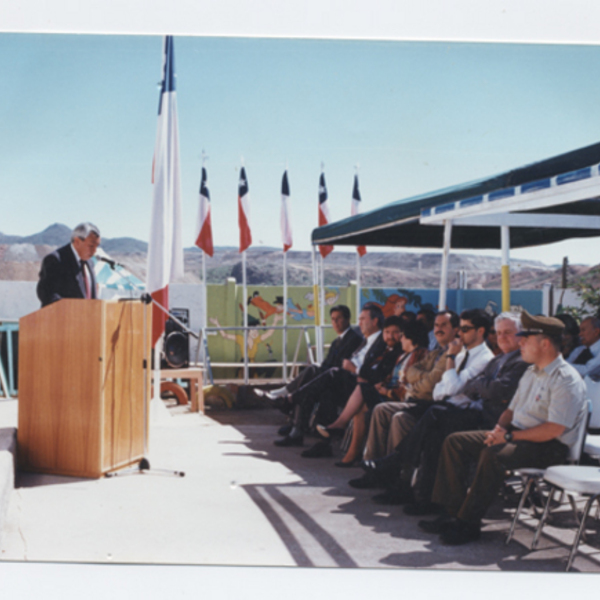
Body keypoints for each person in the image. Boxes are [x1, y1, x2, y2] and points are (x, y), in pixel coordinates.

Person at [419, 310, 587, 545]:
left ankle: (468, 523)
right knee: (456, 441)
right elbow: (511, 410)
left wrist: (507, 436)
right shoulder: (532, 370)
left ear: (545, 343)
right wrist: (498, 430)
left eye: (526, 340)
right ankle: (451, 512)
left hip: (549, 447)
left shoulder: (565, 379)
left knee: (494, 454)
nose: (522, 344)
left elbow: (553, 430)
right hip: (518, 435)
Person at [398, 312, 529, 514]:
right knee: (434, 432)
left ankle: (400, 462)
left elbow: (495, 390)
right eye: (499, 332)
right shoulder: (498, 360)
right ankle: (427, 499)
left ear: (521, 335)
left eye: (509, 333)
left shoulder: (519, 361)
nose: (502, 337)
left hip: (493, 421)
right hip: (475, 412)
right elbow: (465, 388)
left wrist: (479, 386)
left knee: (438, 418)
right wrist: (480, 386)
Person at [272, 303, 387, 452]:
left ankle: (290, 400)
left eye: (363, 319)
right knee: (325, 389)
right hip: (347, 382)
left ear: (375, 321)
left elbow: (375, 372)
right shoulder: (364, 341)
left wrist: (354, 369)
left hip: (360, 386)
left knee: (327, 375)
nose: (359, 323)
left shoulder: (377, 342)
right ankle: (322, 443)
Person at [315, 319, 428, 464]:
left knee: (361, 389)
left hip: (397, 398)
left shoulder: (419, 355)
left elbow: (408, 384)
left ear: (412, 338)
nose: (400, 339)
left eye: (402, 335)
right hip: (388, 392)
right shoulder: (403, 355)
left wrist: (386, 391)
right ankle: (359, 455)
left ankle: (341, 428)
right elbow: (390, 378)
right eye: (388, 333)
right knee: (361, 405)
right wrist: (380, 386)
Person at [255, 305, 362, 402]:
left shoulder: (353, 339)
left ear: (347, 319)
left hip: (342, 380)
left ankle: (283, 395)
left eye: (338, 318)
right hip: (330, 376)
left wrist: (321, 371)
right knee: (313, 371)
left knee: (313, 371)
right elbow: (327, 362)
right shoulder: (336, 342)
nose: (335, 322)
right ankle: (283, 396)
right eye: (333, 319)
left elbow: (341, 364)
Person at [37, 222, 101, 307]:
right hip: (63, 318)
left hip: (88, 319)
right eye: (91, 246)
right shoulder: (56, 260)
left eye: (97, 246)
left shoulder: (90, 263)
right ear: (77, 241)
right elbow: (47, 294)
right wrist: (70, 309)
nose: (95, 251)